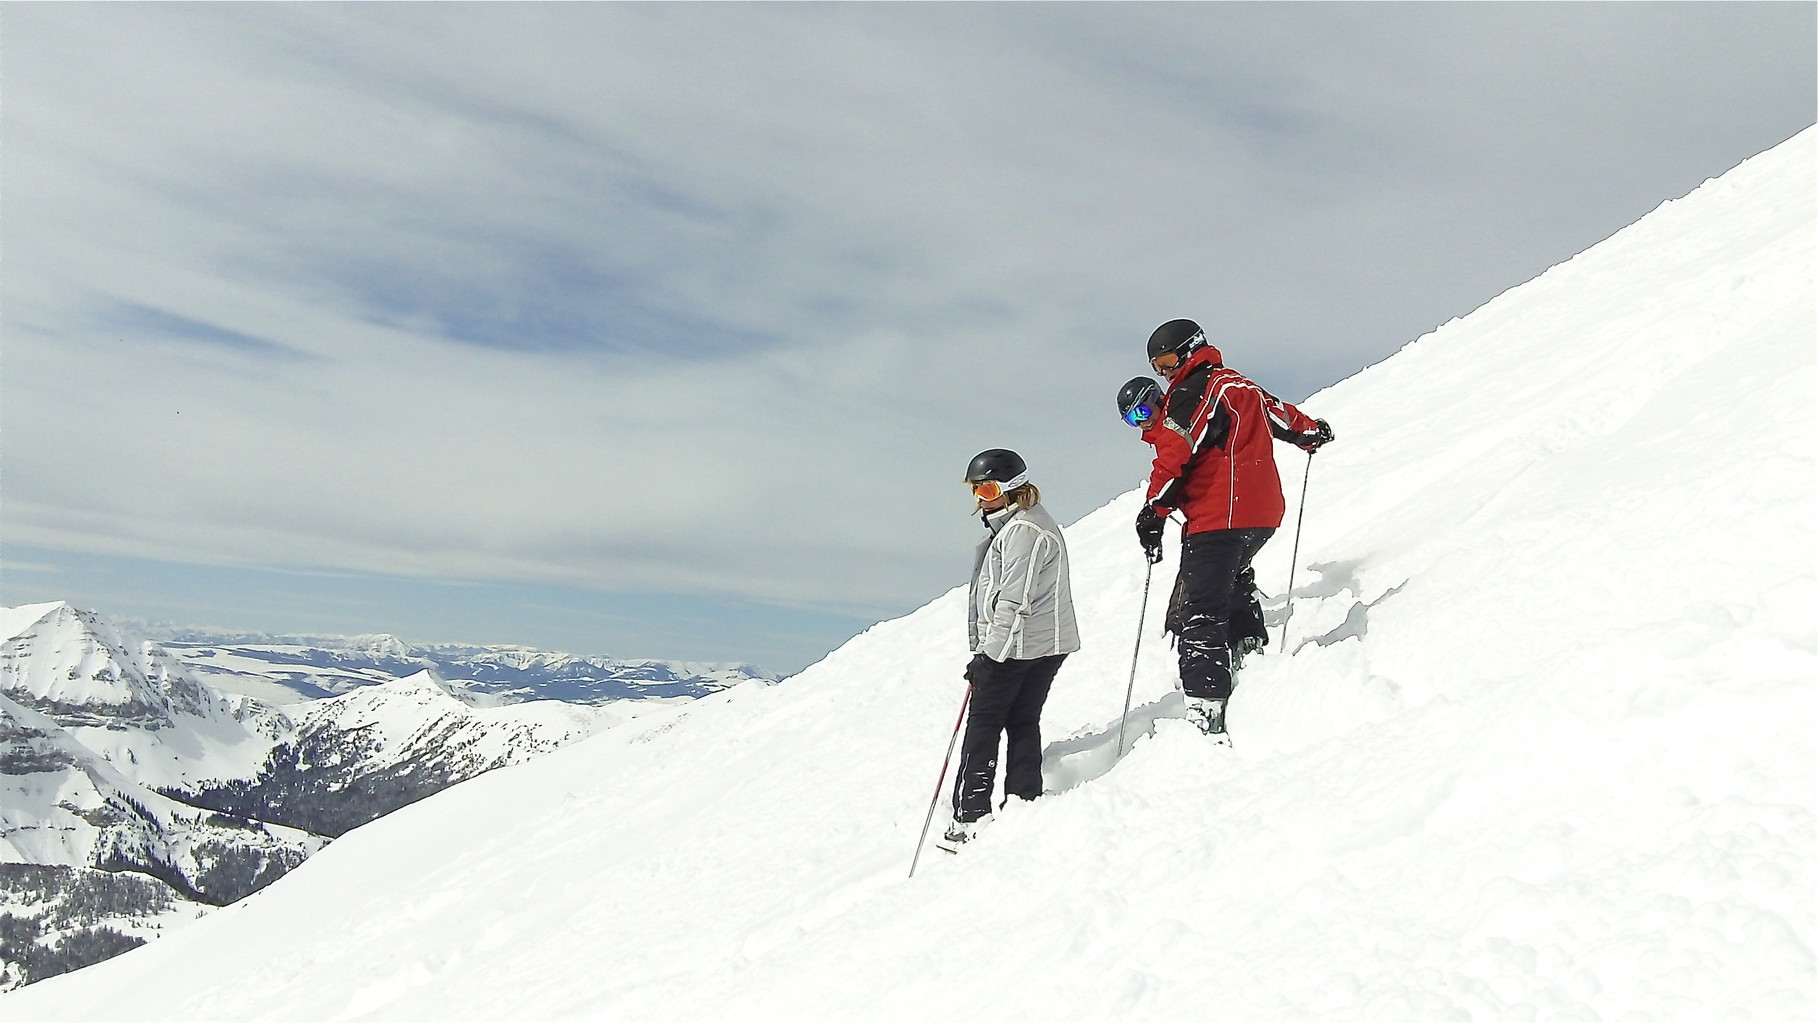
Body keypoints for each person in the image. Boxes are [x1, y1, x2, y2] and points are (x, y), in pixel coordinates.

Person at [1119, 318, 1333, 741]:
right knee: (1232, 579)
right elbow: (1284, 416)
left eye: (1165, 361)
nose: (1164, 373)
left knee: (1200, 609)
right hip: (1263, 515)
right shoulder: (1238, 385)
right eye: (1157, 366)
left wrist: (1154, 511)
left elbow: (1177, 450)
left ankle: (1205, 708)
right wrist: (1312, 433)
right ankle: (1249, 652)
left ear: (1188, 349)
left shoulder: (1194, 391)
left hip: (1221, 515)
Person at [938, 448, 1079, 852]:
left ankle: (970, 816)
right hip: (1035, 645)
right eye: (975, 490)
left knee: (983, 725)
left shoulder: (1025, 532)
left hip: (1022, 648)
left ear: (1011, 486)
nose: (979, 497)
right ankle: (1023, 802)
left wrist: (988, 656)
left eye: (986, 487)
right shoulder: (1017, 526)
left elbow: (1013, 600)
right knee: (1021, 721)